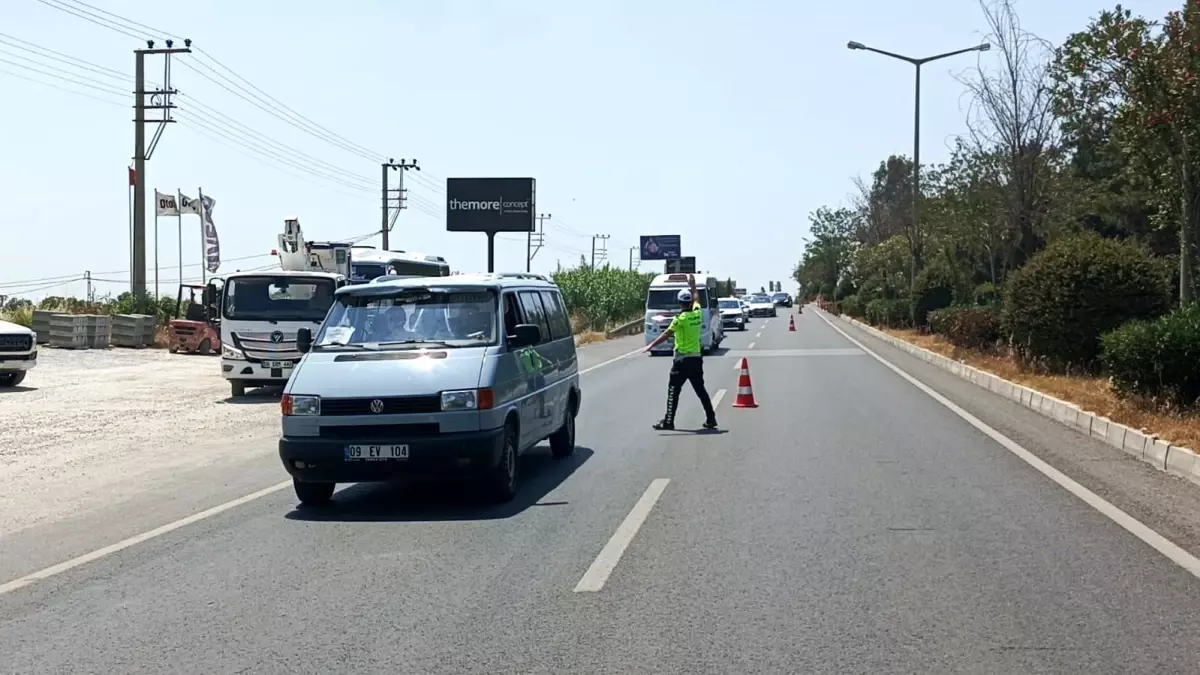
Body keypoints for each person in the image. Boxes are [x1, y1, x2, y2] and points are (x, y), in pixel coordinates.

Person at [643, 274, 718, 430]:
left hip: (682, 361)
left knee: (673, 391)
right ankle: (711, 418)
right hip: (696, 359)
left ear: (680, 303)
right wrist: (693, 286)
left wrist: (651, 345)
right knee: (701, 390)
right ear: (689, 302)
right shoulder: (697, 313)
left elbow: (666, 334)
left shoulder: (680, 319)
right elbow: (697, 299)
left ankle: (669, 421)